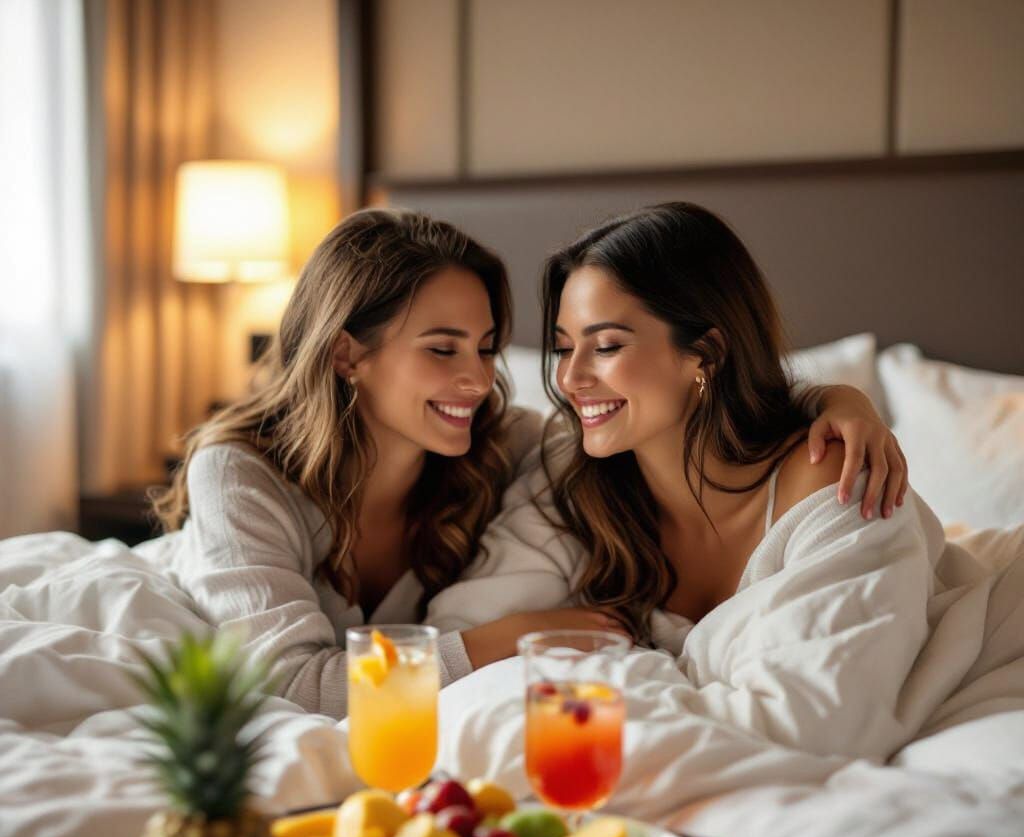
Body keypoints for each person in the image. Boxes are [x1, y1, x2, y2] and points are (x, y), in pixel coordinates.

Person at [131, 207, 900, 716]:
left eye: (488, 348)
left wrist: (835, 402)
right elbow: (296, 687)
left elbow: (633, 420)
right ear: (346, 354)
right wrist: (506, 640)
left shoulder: (503, 443)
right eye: (442, 350)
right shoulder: (239, 474)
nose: (476, 380)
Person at [426, 201, 945, 762]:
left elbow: (821, 717)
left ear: (707, 352)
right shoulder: (572, 478)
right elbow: (459, 645)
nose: (571, 378)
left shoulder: (832, 479)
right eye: (561, 347)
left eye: (605, 346)